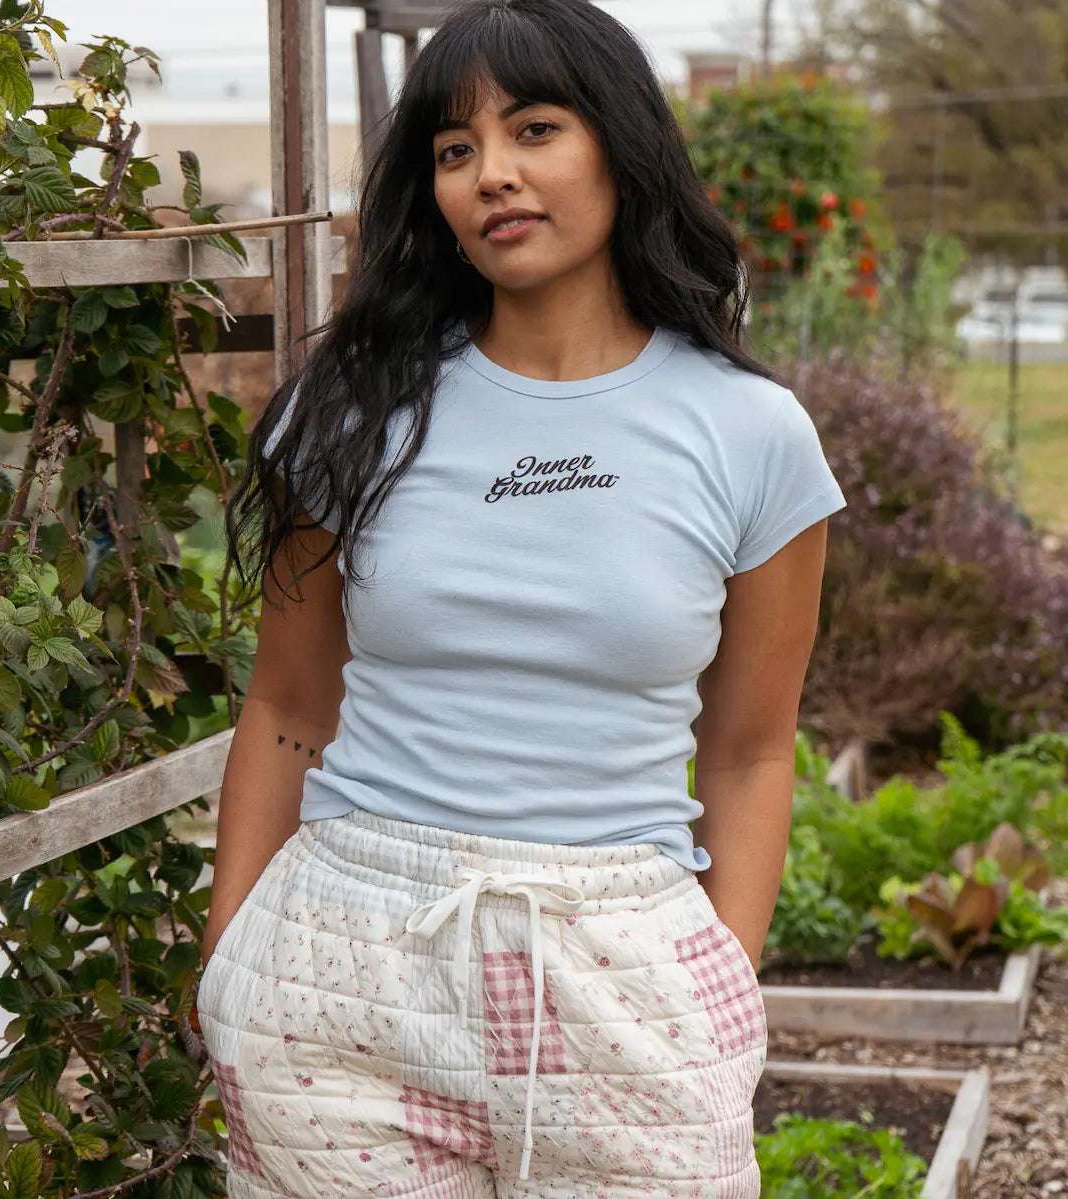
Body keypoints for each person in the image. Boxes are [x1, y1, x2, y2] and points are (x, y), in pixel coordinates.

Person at [198, 0, 846, 1195]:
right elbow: (288, 702)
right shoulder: (352, 411)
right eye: (453, 150)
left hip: (628, 969)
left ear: (620, 145)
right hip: (347, 959)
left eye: (534, 129)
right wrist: (228, 958)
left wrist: (722, 992)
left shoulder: (751, 434)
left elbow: (751, 748)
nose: (491, 174)